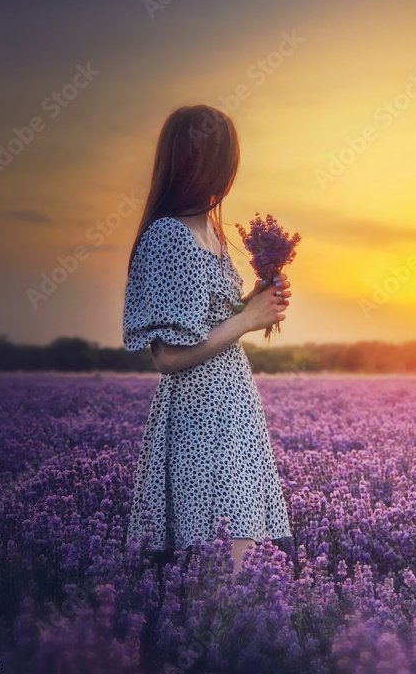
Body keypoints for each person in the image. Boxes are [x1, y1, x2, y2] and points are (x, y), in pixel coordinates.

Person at [122, 104, 292, 588]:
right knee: (220, 559)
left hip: (233, 407)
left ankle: (225, 649)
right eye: (225, 159)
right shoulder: (167, 236)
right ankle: (206, 651)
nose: (230, 172)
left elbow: (204, 321)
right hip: (199, 416)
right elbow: (169, 355)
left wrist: (250, 305)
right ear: (199, 161)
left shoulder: (212, 232)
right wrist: (247, 322)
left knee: (241, 557)